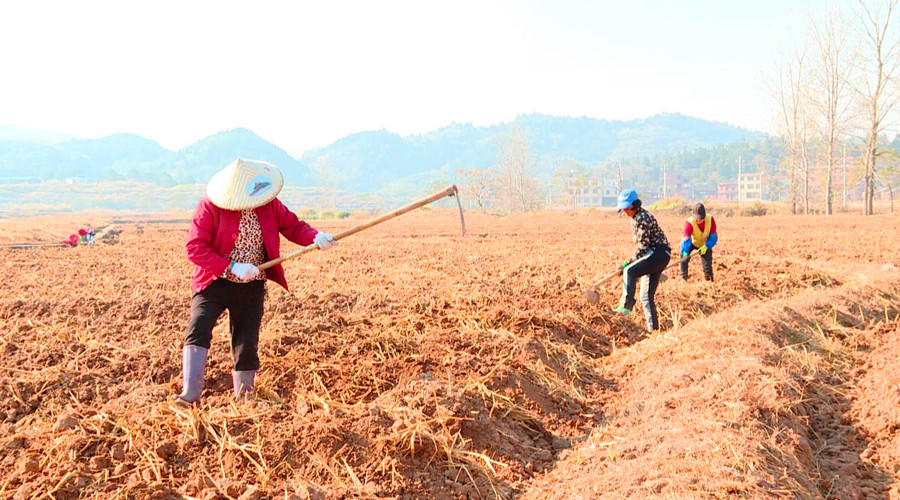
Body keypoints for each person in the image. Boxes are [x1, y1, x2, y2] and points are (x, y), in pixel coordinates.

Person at [173, 158, 337, 404]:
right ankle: (191, 393)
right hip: (214, 281)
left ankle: (245, 398)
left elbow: (293, 227)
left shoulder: (268, 204)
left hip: (252, 283)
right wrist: (231, 267)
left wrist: (316, 237)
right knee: (199, 326)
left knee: (246, 340)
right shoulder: (210, 206)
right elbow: (195, 248)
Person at [612, 189, 672, 331]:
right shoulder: (637, 217)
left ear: (634, 205)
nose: (625, 211)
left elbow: (643, 247)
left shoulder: (642, 218)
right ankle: (654, 330)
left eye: (626, 208)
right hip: (659, 255)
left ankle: (626, 306)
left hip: (657, 253)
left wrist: (627, 263)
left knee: (629, 271)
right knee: (646, 296)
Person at [680, 203, 717, 282]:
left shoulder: (710, 219)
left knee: (707, 264)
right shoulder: (689, 223)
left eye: (701, 219)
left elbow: (713, 237)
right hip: (692, 243)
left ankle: (709, 280)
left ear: (704, 216)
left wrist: (706, 246)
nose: (699, 221)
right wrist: (685, 253)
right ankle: (683, 278)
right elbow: (686, 240)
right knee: (683, 259)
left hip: (705, 243)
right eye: (697, 219)